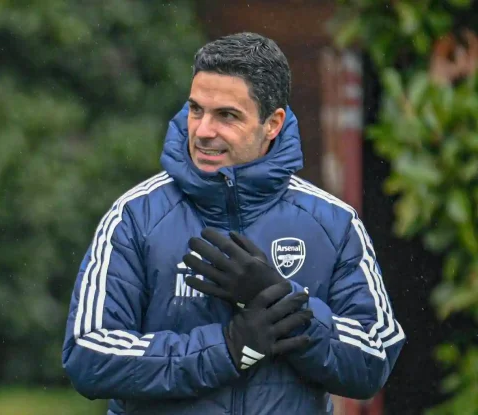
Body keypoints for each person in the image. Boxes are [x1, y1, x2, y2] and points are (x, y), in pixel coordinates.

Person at [61, 32, 405, 414]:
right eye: (196, 110)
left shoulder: (334, 223)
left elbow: (374, 359)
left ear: (272, 124)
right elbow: (88, 355)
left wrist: (281, 301)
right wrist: (226, 349)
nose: (203, 131)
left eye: (226, 115)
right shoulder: (135, 216)